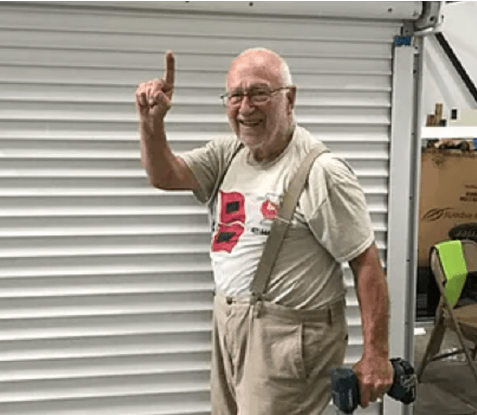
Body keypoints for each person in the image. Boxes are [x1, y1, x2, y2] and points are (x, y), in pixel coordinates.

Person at [135, 48, 393, 415]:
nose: (245, 108)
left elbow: (366, 264)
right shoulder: (230, 154)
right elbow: (164, 174)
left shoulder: (322, 172)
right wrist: (151, 123)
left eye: (259, 93)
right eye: (235, 96)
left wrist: (376, 354)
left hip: (288, 339)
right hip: (230, 325)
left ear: (289, 98)